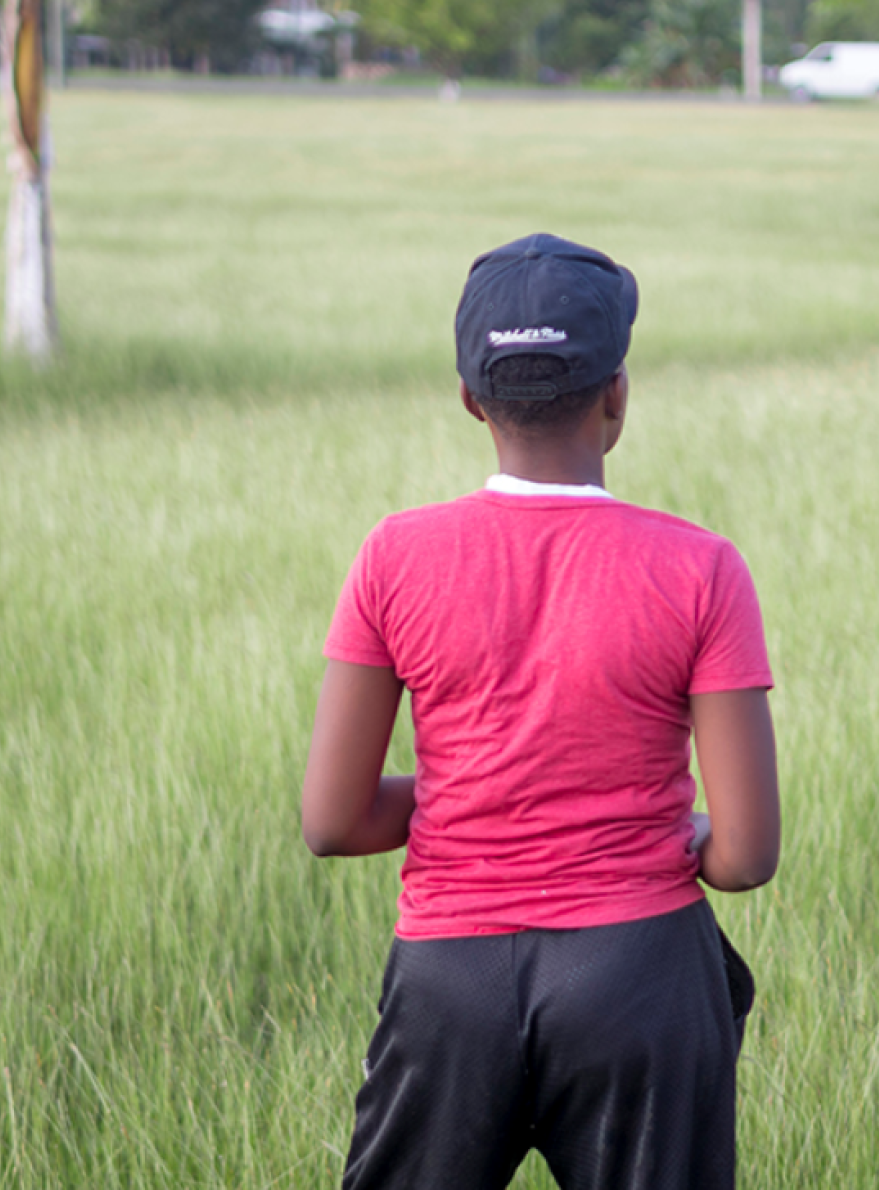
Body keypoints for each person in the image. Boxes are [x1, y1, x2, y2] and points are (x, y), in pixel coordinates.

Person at [301, 232, 781, 1190]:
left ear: (473, 400)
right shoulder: (703, 567)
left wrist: (469, 792)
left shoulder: (394, 556)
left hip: (449, 985)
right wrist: (663, 822)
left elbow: (332, 821)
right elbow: (745, 855)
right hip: (640, 981)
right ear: (617, 396)